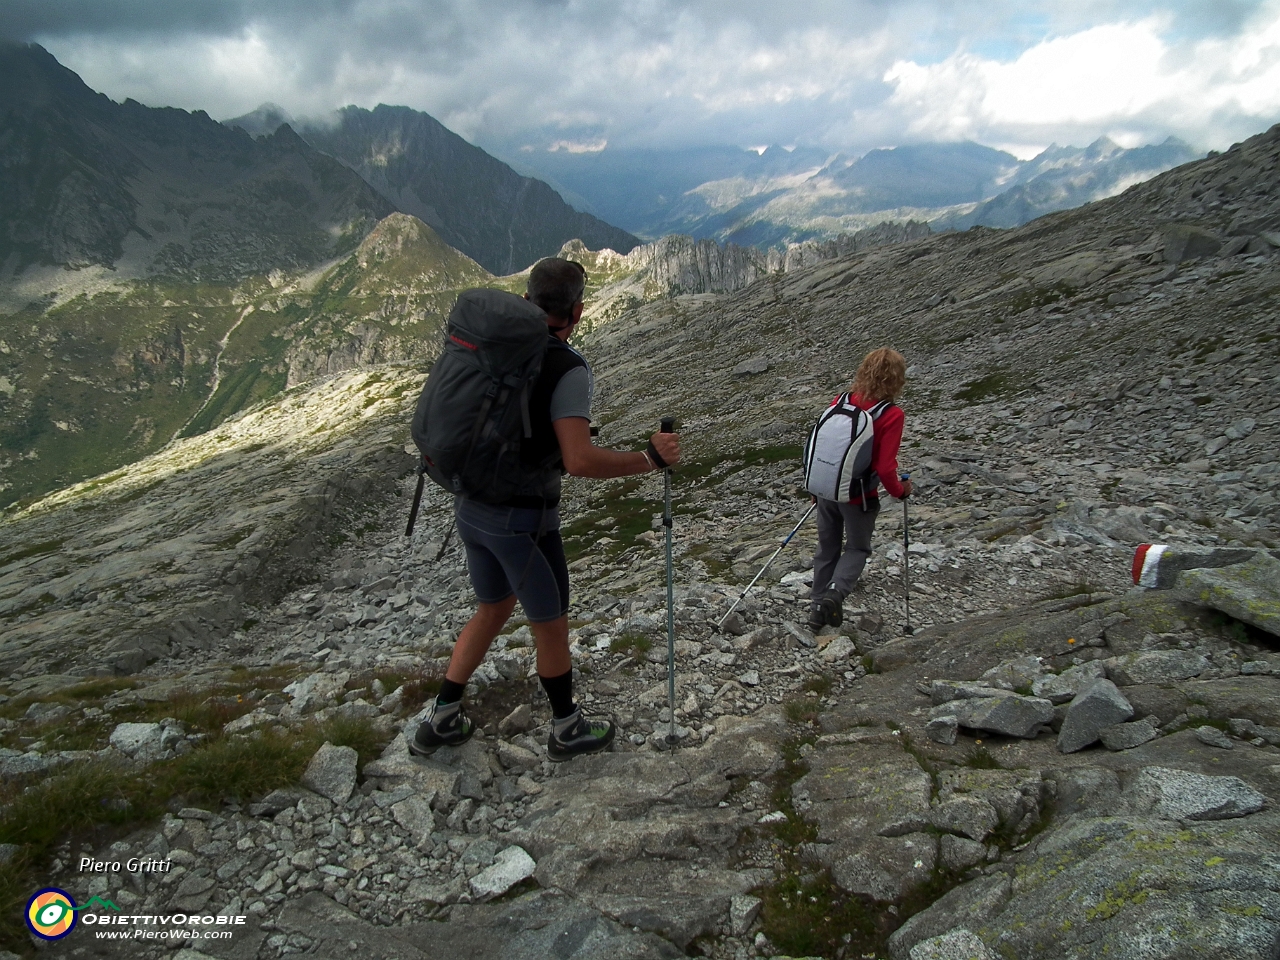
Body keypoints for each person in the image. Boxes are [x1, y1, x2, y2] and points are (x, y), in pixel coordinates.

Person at [411, 258, 681, 761]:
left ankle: (442, 718)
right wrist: (648, 459)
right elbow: (578, 460)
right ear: (578, 309)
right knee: (551, 624)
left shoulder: (497, 346)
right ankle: (566, 729)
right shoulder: (566, 367)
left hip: (471, 507)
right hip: (523, 521)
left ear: (529, 298)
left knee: (492, 608)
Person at [809, 347, 913, 630]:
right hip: (859, 497)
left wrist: (817, 486)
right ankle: (835, 593)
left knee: (826, 547)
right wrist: (900, 490)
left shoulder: (842, 401)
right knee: (857, 548)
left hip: (827, 489)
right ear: (896, 379)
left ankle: (816, 608)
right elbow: (884, 466)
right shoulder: (891, 415)